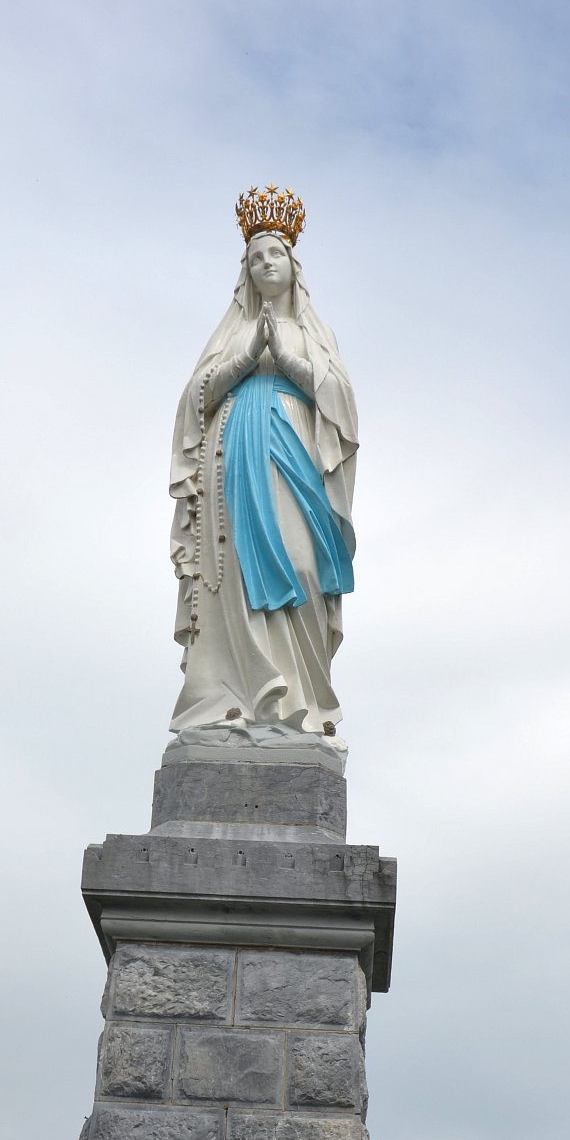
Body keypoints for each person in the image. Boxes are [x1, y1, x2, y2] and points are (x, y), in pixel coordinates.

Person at [168, 187, 358, 741]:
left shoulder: (314, 333)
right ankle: (244, 700)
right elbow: (194, 401)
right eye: (255, 257)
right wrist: (248, 357)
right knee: (236, 573)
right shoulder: (232, 333)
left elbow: (342, 406)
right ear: (245, 272)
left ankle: (303, 702)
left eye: (275, 254)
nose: (265, 263)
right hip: (236, 451)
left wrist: (291, 362)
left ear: (294, 266)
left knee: (302, 567)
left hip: (295, 447)